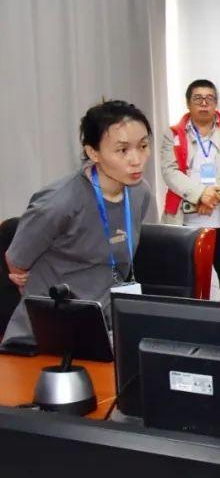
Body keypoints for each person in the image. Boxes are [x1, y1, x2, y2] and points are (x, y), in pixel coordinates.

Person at [3, 100, 156, 343]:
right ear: (93, 153)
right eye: (122, 150)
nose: (136, 159)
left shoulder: (139, 192)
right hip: (47, 333)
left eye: (143, 146)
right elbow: (17, 261)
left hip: (106, 329)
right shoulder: (58, 202)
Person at [160, 79, 220, 301]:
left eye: (210, 98)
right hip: (186, 222)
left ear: (216, 103)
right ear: (188, 103)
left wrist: (214, 195)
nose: (204, 103)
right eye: (198, 98)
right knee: (187, 279)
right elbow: (170, 171)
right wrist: (201, 194)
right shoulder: (173, 134)